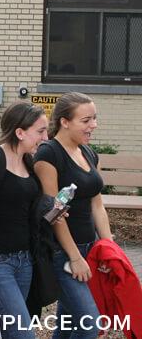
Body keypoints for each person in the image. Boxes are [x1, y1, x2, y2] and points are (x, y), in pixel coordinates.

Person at [34, 92, 112, 339]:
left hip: (90, 247)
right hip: (62, 252)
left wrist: (108, 247)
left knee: (67, 324)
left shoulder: (88, 153)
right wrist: (75, 256)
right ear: (65, 122)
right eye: (86, 120)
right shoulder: (49, 154)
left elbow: (97, 205)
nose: (93, 125)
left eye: (95, 119)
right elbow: (54, 210)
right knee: (90, 323)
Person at [0, 101, 49, 339]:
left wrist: (52, 211)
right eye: (40, 131)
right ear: (20, 132)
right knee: (23, 333)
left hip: (25, 260)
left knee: (7, 330)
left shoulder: (29, 161)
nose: (45, 137)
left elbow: (26, 210)